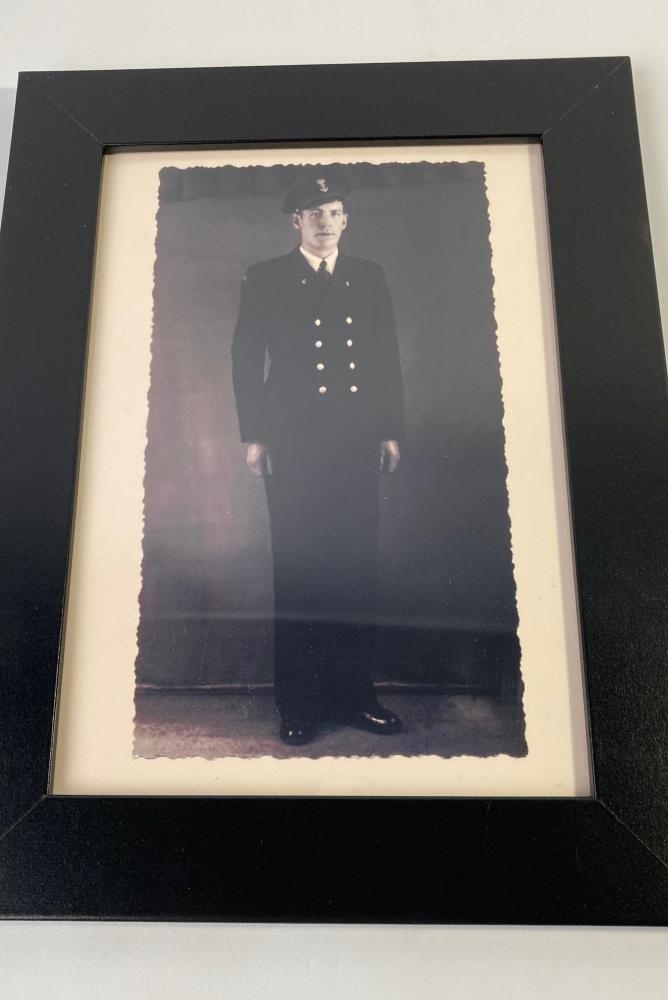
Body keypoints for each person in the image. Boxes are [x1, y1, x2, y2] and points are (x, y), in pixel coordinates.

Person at [231, 168, 406, 746]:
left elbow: (384, 355)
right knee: (301, 568)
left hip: (354, 439)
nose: (325, 223)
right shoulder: (266, 277)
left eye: (334, 213)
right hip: (295, 442)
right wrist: (255, 434)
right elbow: (245, 357)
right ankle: (300, 703)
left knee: (355, 566)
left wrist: (389, 429)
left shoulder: (368, 275)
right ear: (296, 221)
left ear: (345, 220)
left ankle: (355, 696)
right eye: (314, 214)